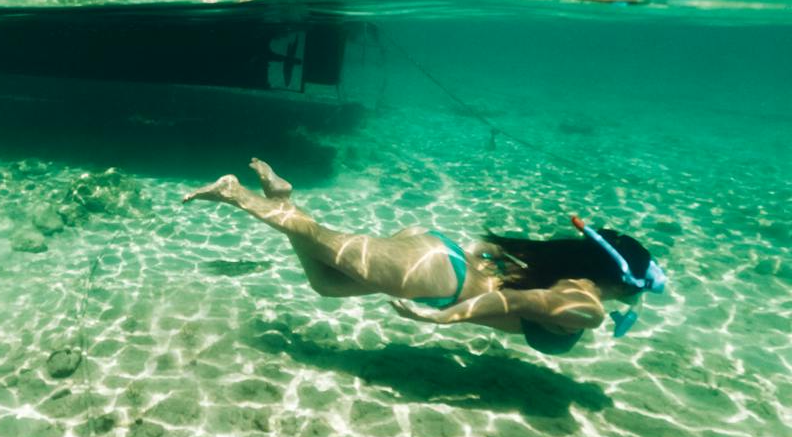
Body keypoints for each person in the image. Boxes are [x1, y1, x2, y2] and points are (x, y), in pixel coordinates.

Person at [184, 160, 666, 354]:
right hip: (440, 276)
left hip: (440, 261)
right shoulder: (586, 308)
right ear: (621, 279)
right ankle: (237, 194)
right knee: (326, 243)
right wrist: (446, 321)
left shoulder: (570, 281)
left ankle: (284, 200)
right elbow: (511, 306)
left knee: (326, 282)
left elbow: (512, 294)